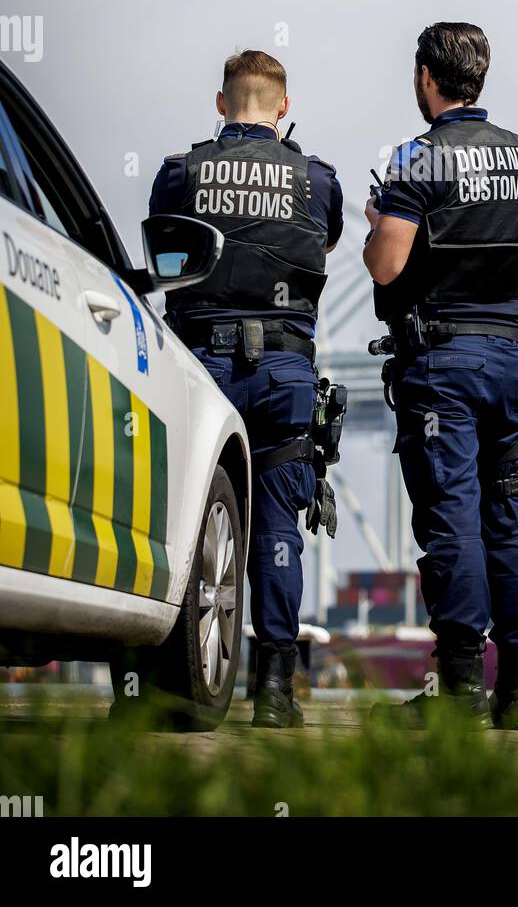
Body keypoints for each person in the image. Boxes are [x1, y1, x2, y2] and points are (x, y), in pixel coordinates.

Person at [363, 22, 518, 729]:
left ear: (427, 77)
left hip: (443, 363)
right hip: (509, 361)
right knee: (504, 516)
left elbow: (385, 266)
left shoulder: (416, 159)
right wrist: (506, 253)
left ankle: (458, 692)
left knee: (450, 521)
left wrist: (379, 218)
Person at [149, 49, 343, 728]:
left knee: (193, 519)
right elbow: (325, 242)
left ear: (221, 102)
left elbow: (163, 245)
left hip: (202, 367)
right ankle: (274, 693)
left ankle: (175, 684)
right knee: (277, 529)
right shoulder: (317, 179)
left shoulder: (180, 173)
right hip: (284, 370)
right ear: (283, 107)